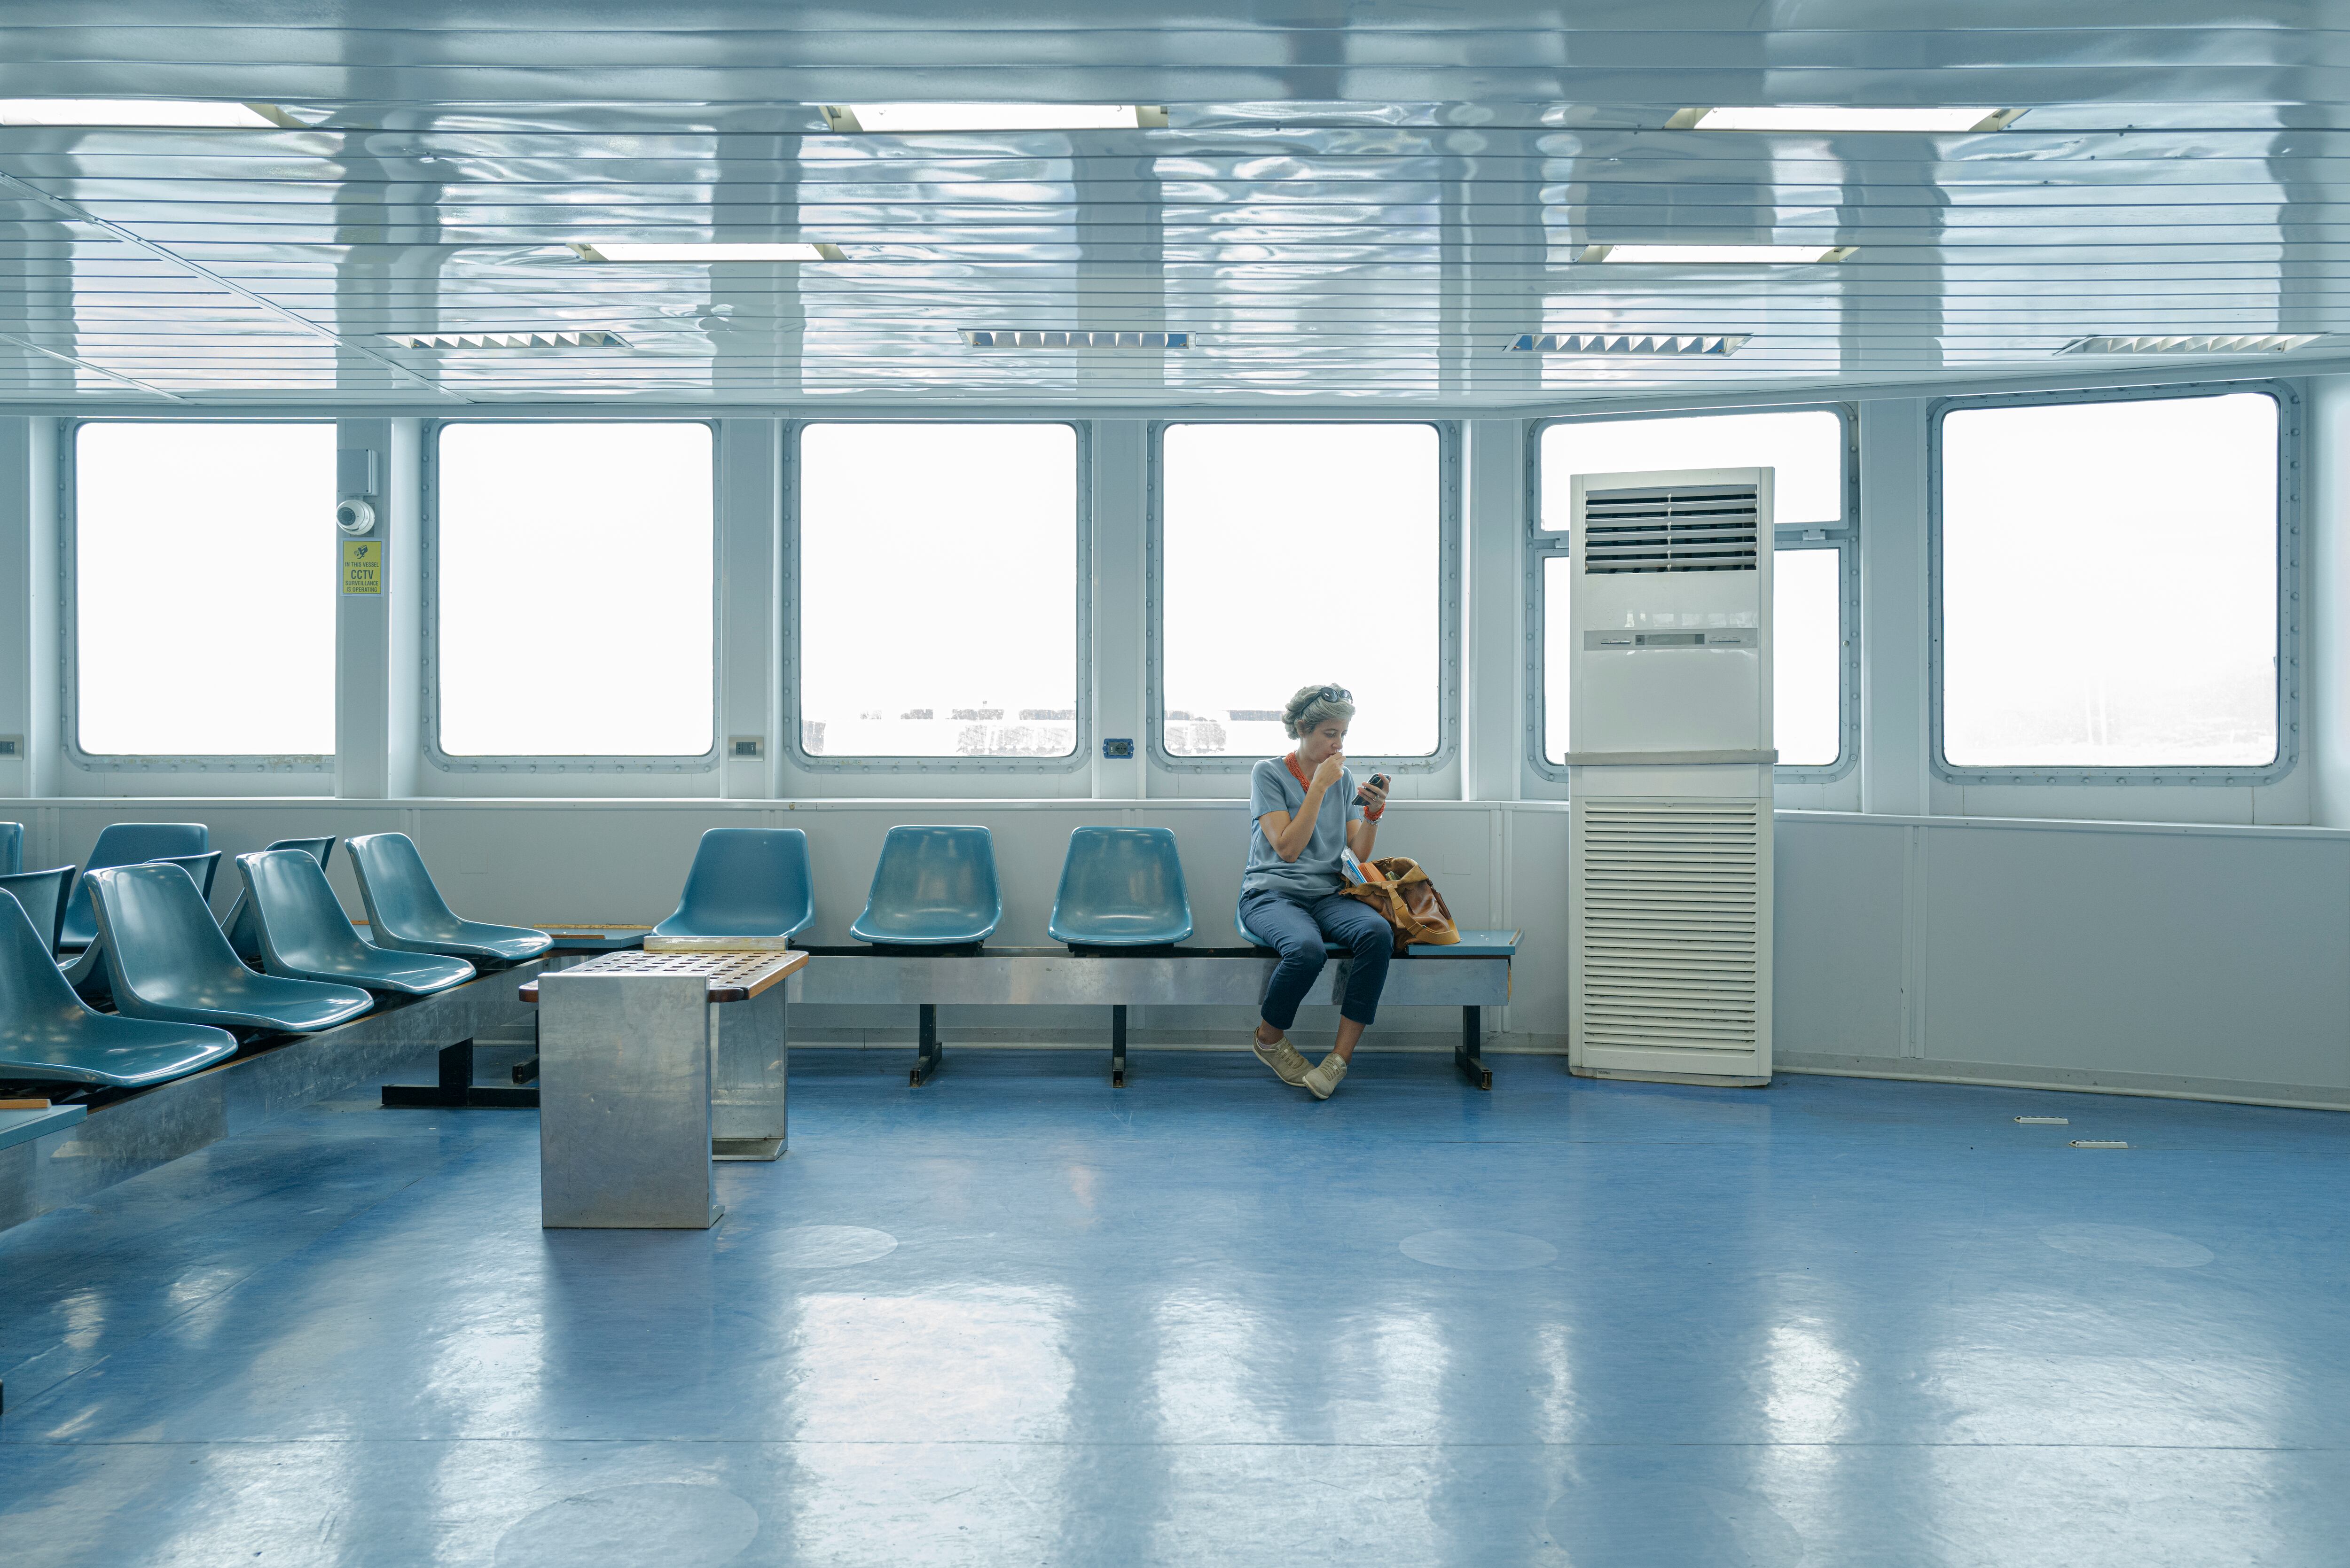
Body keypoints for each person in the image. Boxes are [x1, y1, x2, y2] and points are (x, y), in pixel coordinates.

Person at [1239, 683, 1393, 1099]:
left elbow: (1357, 853)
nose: (1338, 744)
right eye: (1330, 734)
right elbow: (1287, 849)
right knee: (1307, 950)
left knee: (1378, 934)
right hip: (1271, 894)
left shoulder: (1341, 781)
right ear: (1303, 728)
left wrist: (1374, 814)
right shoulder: (1268, 773)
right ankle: (1269, 1038)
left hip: (1327, 894)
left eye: (1343, 734)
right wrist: (1318, 787)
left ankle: (1338, 1061)